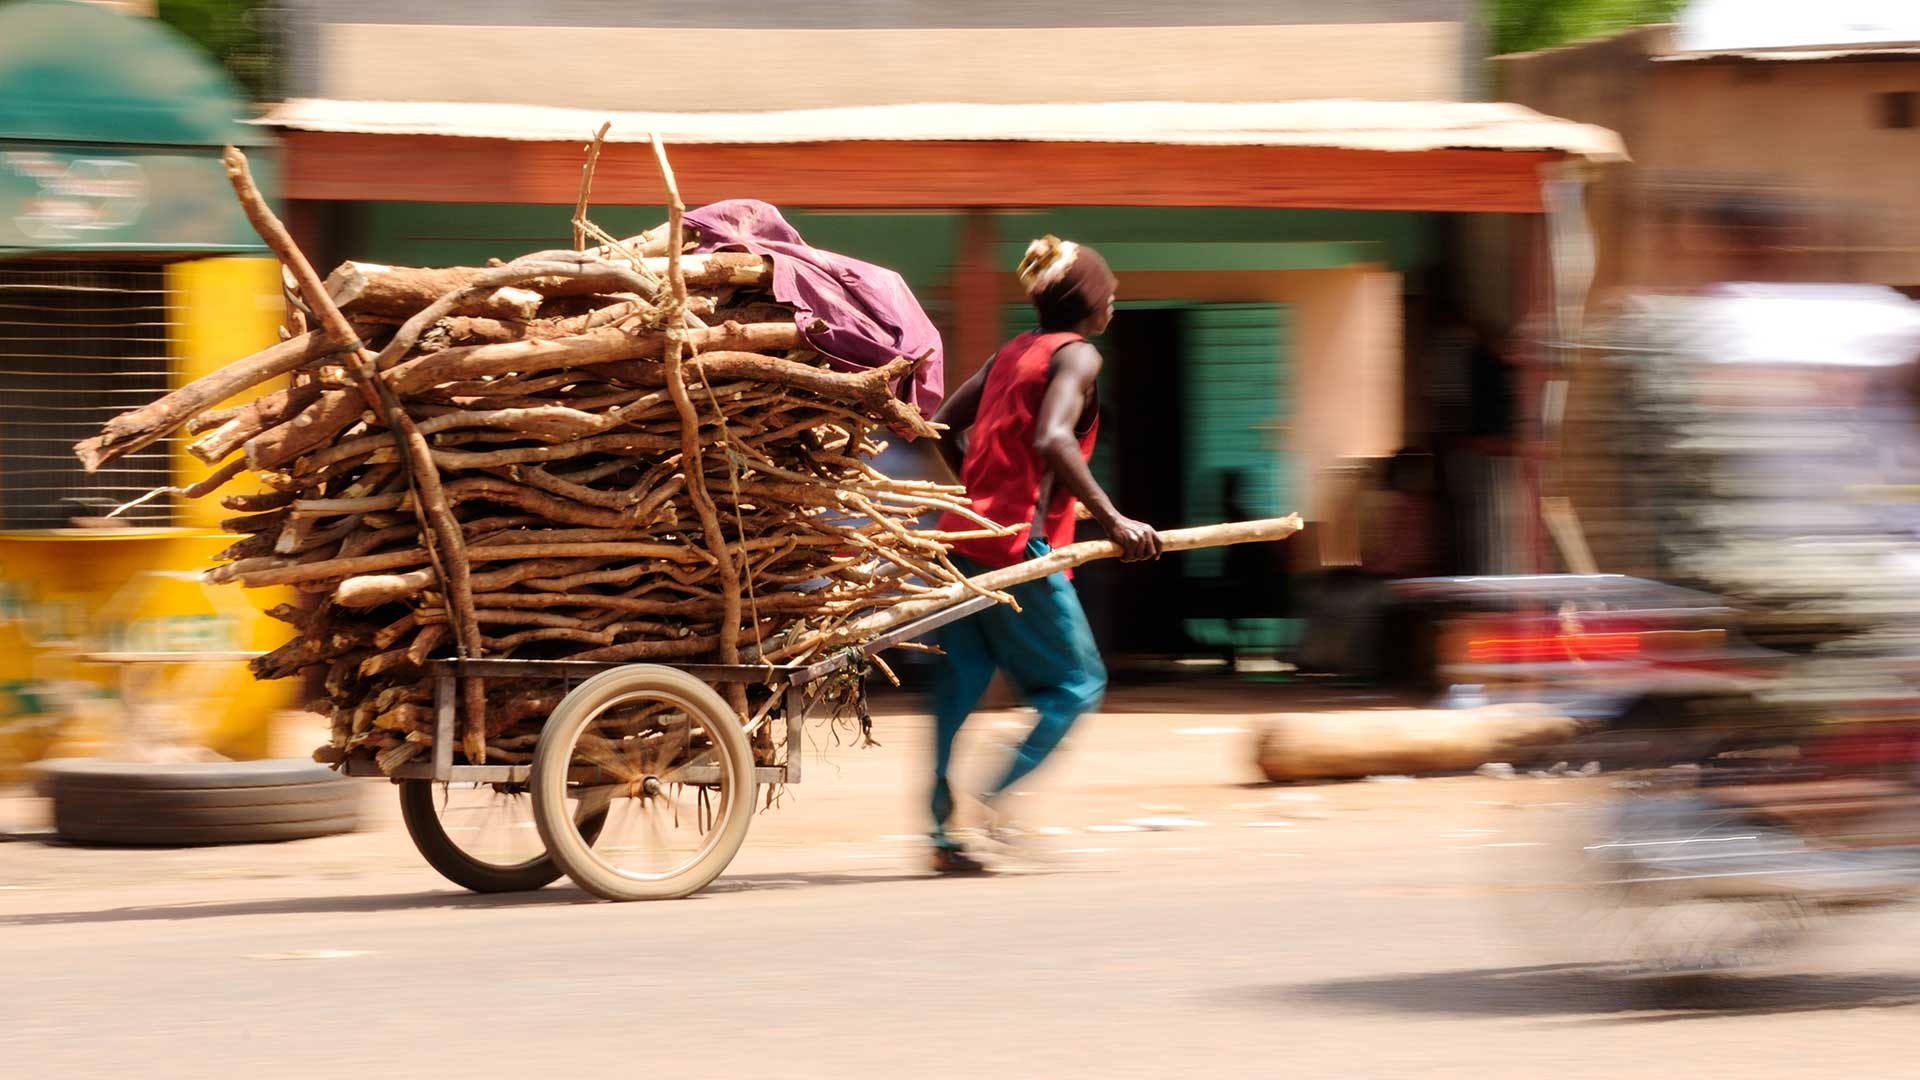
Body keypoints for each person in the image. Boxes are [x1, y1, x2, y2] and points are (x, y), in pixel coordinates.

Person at [923, 235, 1162, 874]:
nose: (1113, 300)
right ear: (1087, 301)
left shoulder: (1013, 350)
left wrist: (979, 489)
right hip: (1020, 551)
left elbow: (944, 424)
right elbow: (1053, 437)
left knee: (960, 687)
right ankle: (994, 800)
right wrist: (1115, 521)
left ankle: (943, 834)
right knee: (1078, 684)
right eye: (1107, 291)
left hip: (965, 537)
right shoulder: (1079, 356)